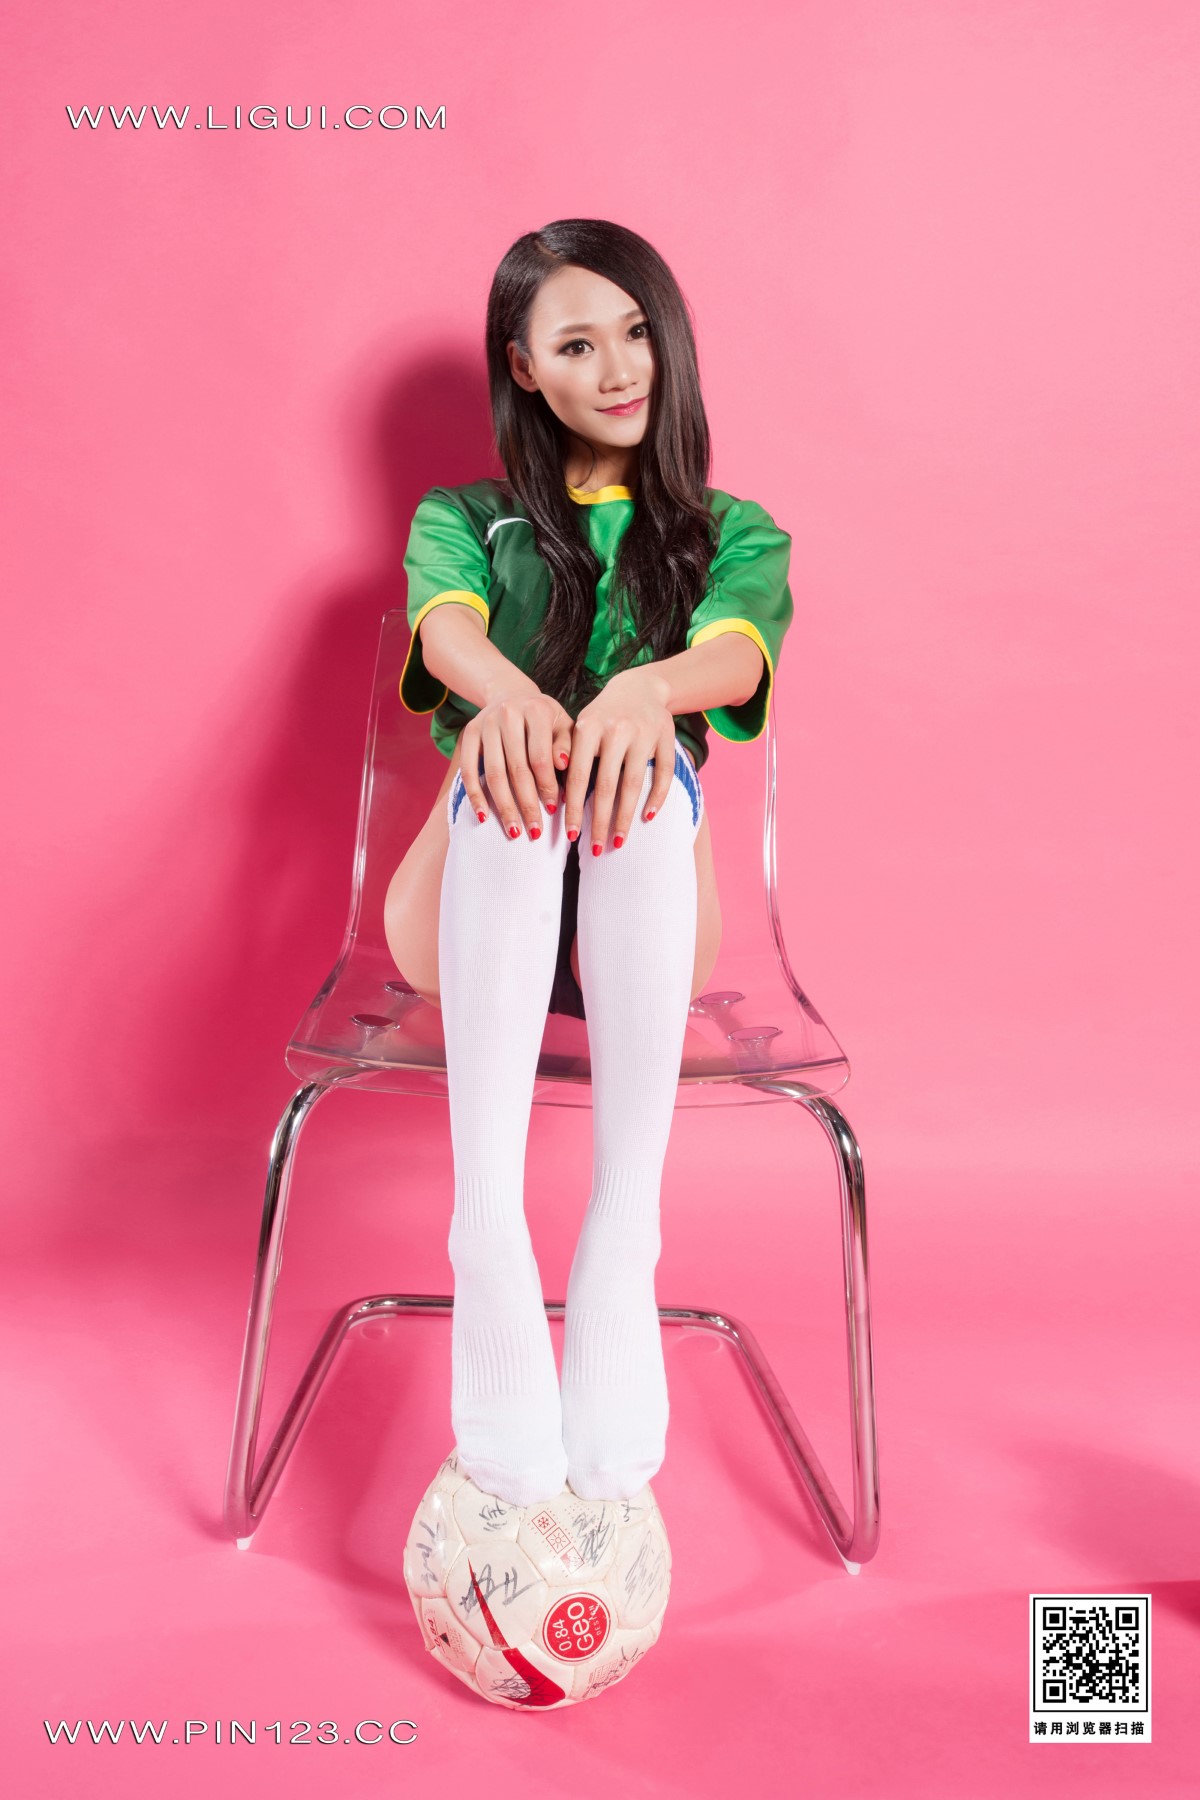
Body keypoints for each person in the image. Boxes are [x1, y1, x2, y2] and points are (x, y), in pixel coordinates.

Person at [384, 219, 794, 1509]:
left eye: (636, 333)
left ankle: (624, 1236)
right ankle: (488, 1230)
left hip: (647, 916)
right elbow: (445, 634)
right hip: (467, 918)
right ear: (523, 366)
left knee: (636, 769)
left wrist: (642, 691)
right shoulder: (465, 518)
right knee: (517, 761)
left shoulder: (731, 531)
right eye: (575, 344)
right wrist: (514, 703)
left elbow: (733, 653)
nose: (618, 369)